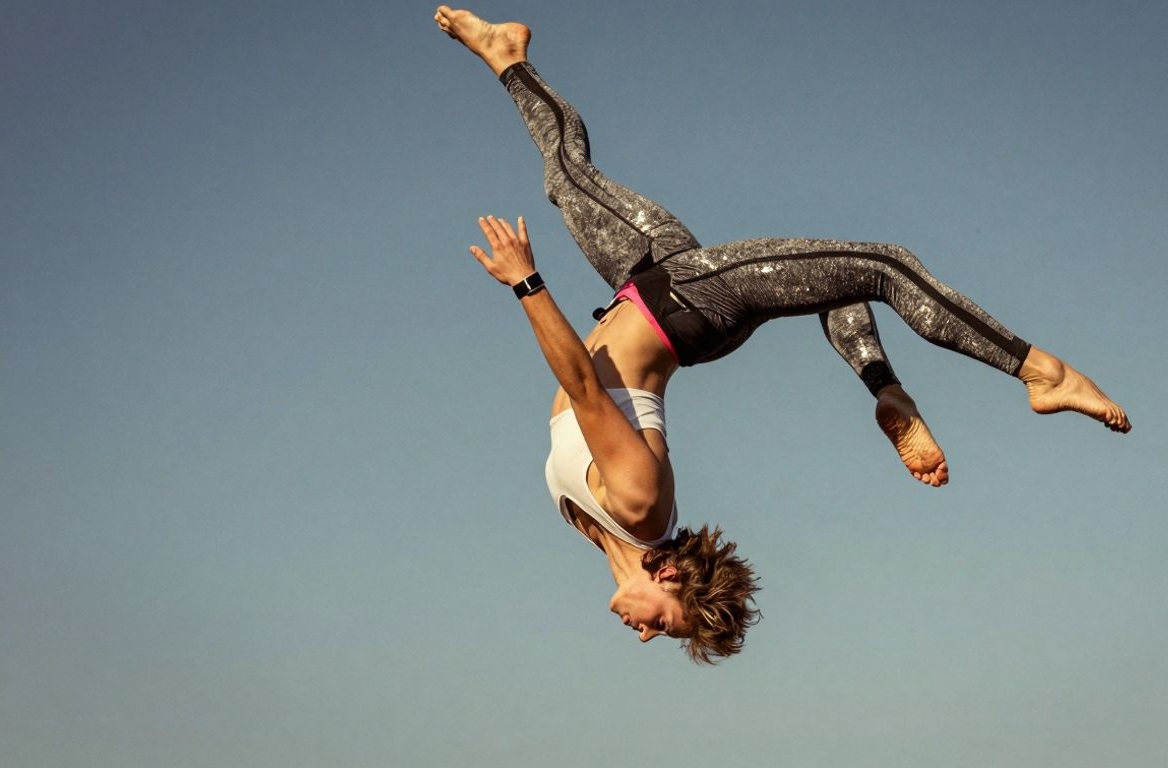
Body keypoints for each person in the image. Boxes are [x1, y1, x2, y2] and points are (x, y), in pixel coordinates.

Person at [435, 7, 1130, 664]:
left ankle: (507, 55)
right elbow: (582, 386)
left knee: (569, 180)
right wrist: (528, 284)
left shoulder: (609, 535)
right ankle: (1042, 373)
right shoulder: (640, 505)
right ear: (671, 576)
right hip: (691, 300)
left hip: (649, 284)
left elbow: (590, 387)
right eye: (668, 625)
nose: (645, 635)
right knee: (881, 266)